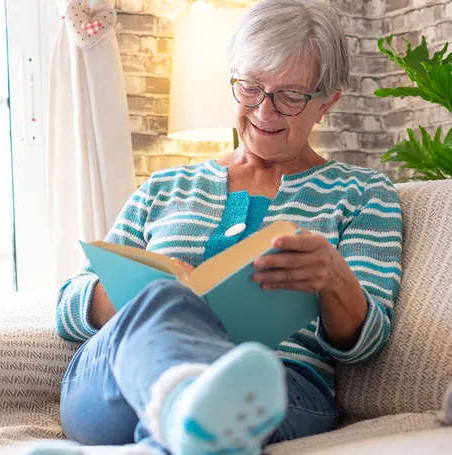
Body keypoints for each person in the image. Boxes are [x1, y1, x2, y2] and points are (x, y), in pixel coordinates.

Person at [43, 0, 403, 454]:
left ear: (327, 102)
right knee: (166, 297)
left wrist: (333, 278)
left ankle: (170, 437)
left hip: (277, 386)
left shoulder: (365, 194)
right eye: (251, 88)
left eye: (290, 96)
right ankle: (184, 417)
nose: (264, 113)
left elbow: (367, 344)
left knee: (233, 400)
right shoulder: (163, 188)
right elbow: (66, 308)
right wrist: (143, 295)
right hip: (114, 382)